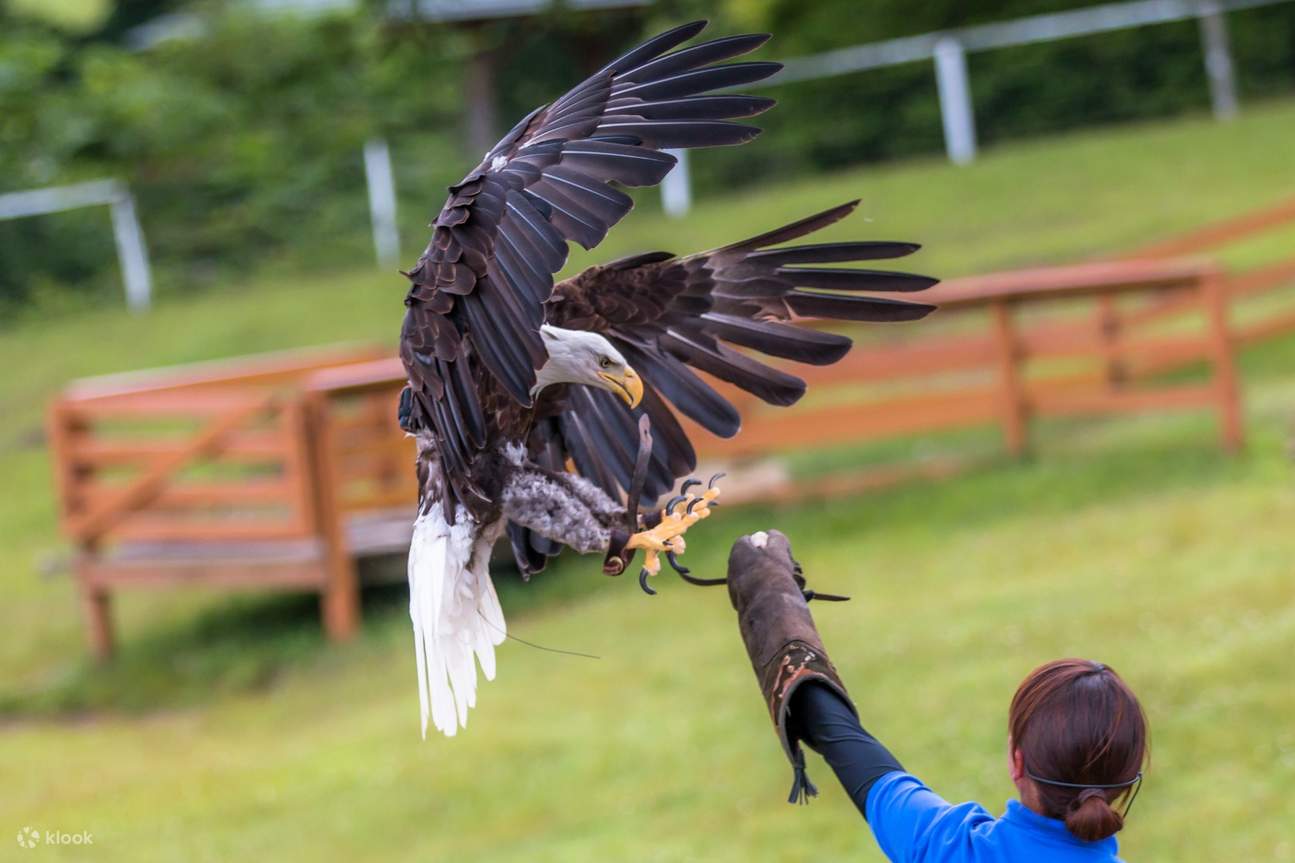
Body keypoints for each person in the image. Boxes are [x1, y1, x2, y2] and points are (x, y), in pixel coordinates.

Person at [726, 530, 1148, 862]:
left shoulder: (948, 849)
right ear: (1127, 783)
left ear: (1017, 761)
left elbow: (851, 750)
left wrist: (773, 601)